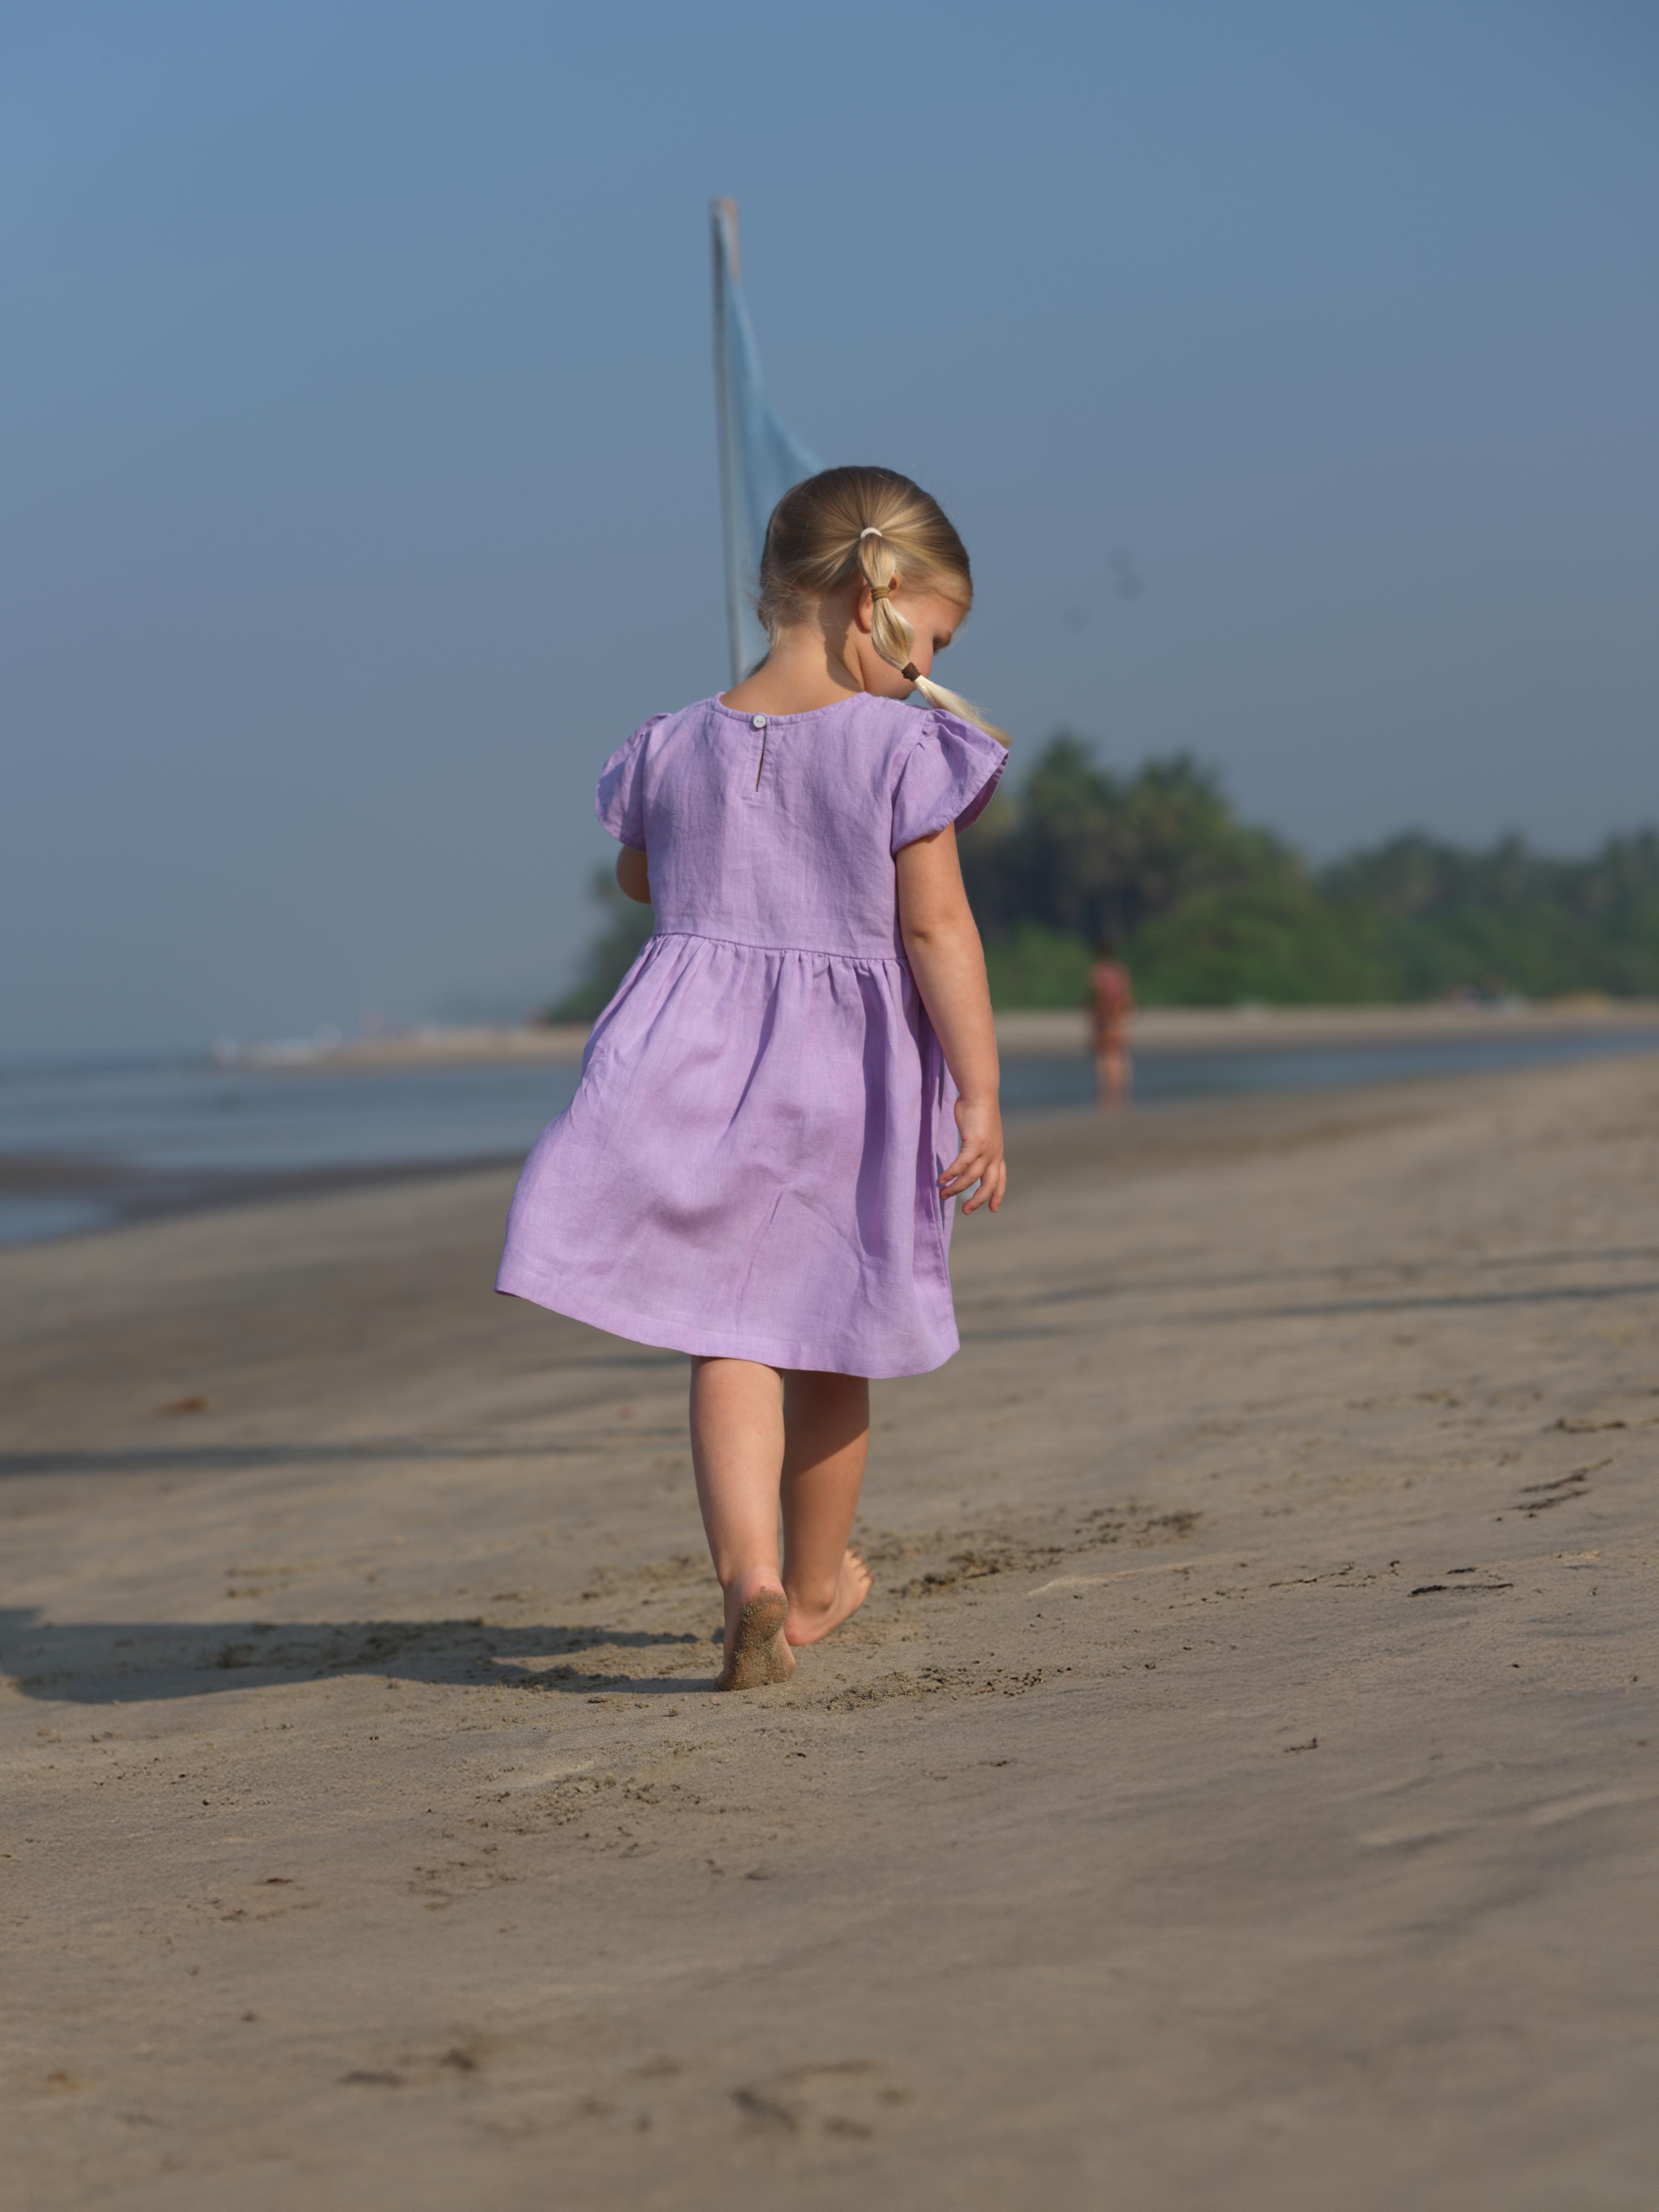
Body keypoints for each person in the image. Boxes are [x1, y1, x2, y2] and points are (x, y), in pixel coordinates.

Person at [497, 467, 1009, 1692]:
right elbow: (937, 930)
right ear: (866, 600)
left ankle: (750, 1576)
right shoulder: (900, 746)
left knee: (727, 1332)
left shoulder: (675, 743)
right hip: (854, 1082)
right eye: (927, 641)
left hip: (697, 1072)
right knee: (835, 1340)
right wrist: (980, 1093)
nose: (928, 671)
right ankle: (819, 1582)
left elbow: (644, 881)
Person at [1090, 937, 1136, 1110]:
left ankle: (1106, 1096)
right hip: (1120, 1014)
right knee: (1121, 1055)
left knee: (1104, 1057)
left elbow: (1096, 993)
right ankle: (1122, 1095)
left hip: (1104, 1017)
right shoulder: (1120, 970)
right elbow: (1127, 993)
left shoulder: (1098, 971)